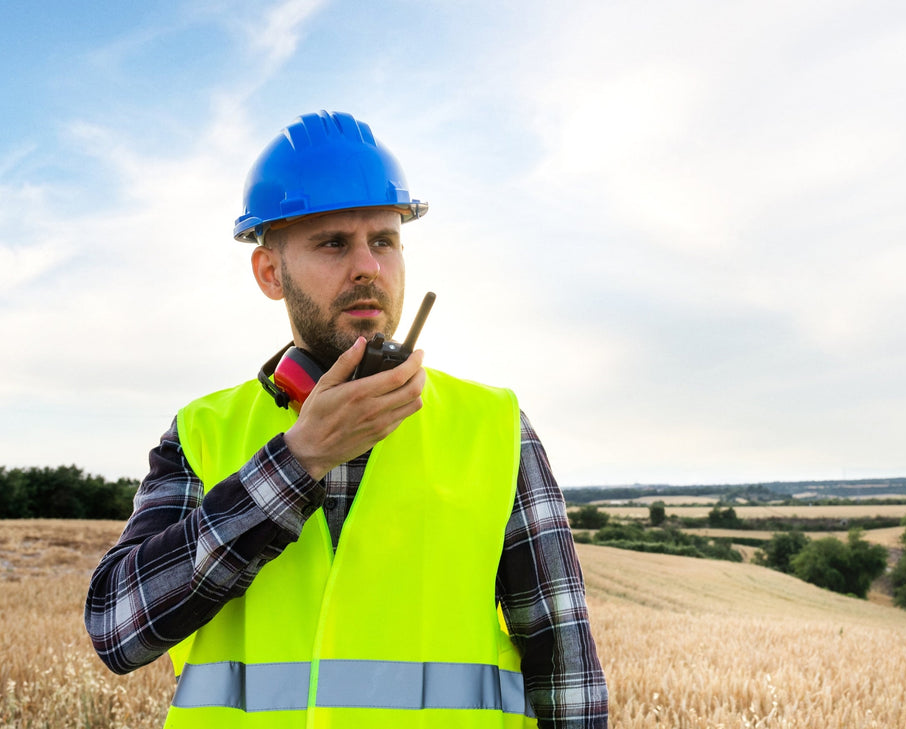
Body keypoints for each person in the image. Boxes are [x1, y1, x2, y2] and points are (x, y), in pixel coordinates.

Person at [85, 110, 608, 728]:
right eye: (334, 243)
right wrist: (298, 461)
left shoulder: (495, 426)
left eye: (383, 241)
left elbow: (567, 676)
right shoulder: (203, 430)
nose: (369, 267)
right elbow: (118, 629)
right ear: (270, 273)